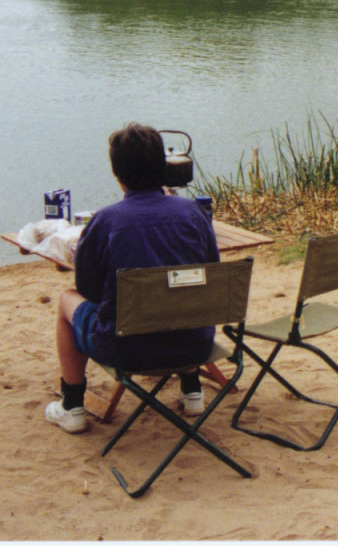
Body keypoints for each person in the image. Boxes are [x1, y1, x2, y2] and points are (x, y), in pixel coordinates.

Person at [45, 123, 219, 433]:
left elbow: (89, 291)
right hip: (194, 343)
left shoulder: (106, 221)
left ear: (117, 174)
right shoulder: (195, 214)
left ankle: (72, 405)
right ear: (163, 169)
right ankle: (192, 390)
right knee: (184, 293)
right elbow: (209, 275)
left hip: (127, 349)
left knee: (67, 300)